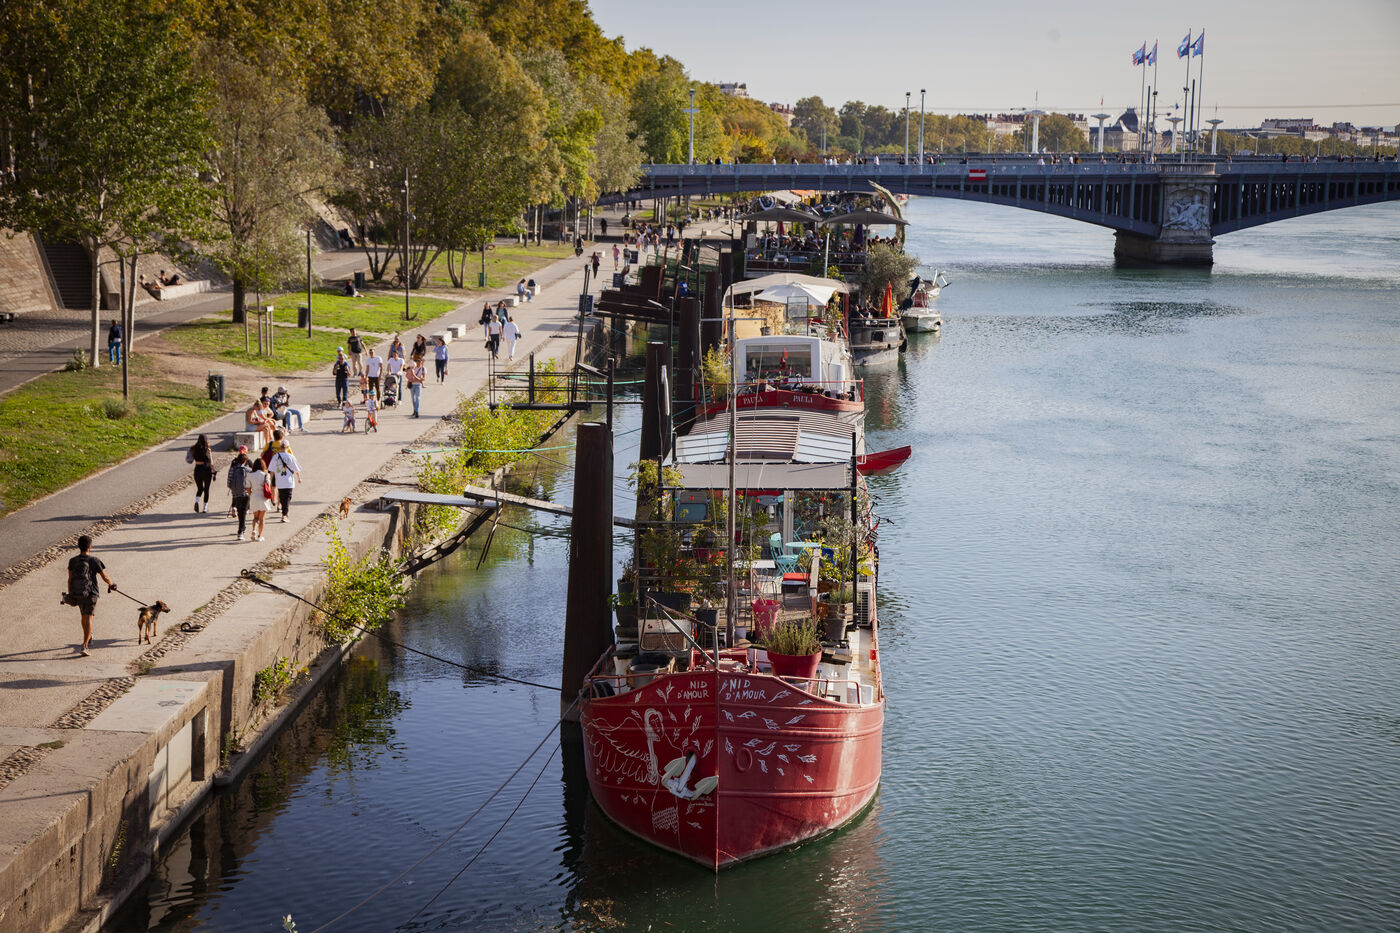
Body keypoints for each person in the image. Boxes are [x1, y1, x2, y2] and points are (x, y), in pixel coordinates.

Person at [65, 535, 114, 656]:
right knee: (89, 618)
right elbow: (104, 576)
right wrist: (111, 584)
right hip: (91, 594)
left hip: (78, 593)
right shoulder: (94, 560)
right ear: (90, 546)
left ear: (78, 546)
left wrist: (70, 594)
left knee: (83, 616)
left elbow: (69, 579)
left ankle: (88, 636)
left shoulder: (73, 561)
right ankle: (85, 645)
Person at [268, 444, 301, 522]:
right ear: (288, 447)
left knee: (282, 497)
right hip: (289, 481)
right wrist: (299, 478)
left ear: (280, 448)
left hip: (279, 481)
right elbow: (296, 469)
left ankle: (285, 513)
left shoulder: (275, 457)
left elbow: (271, 470)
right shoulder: (291, 456)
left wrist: (270, 481)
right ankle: (284, 515)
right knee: (288, 497)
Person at [227, 446, 252, 541]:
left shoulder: (233, 469)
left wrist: (233, 489)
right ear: (245, 461)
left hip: (236, 493)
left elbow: (229, 482)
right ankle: (240, 531)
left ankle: (242, 528)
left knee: (240, 512)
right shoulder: (248, 470)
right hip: (246, 494)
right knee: (243, 512)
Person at [186, 433, 215, 513]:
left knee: (200, 488)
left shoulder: (193, 449)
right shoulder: (207, 449)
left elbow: (189, 460)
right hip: (206, 469)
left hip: (197, 470)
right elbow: (211, 463)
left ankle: (197, 501)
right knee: (206, 489)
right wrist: (214, 471)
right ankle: (205, 508)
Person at [247, 459, 271, 541]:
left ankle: (254, 530)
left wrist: (251, 494)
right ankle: (259, 536)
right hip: (263, 497)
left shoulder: (250, 475)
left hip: (254, 496)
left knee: (255, 518)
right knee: (262, 519)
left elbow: (247, 487)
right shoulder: (266, 475)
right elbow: (268, 486)